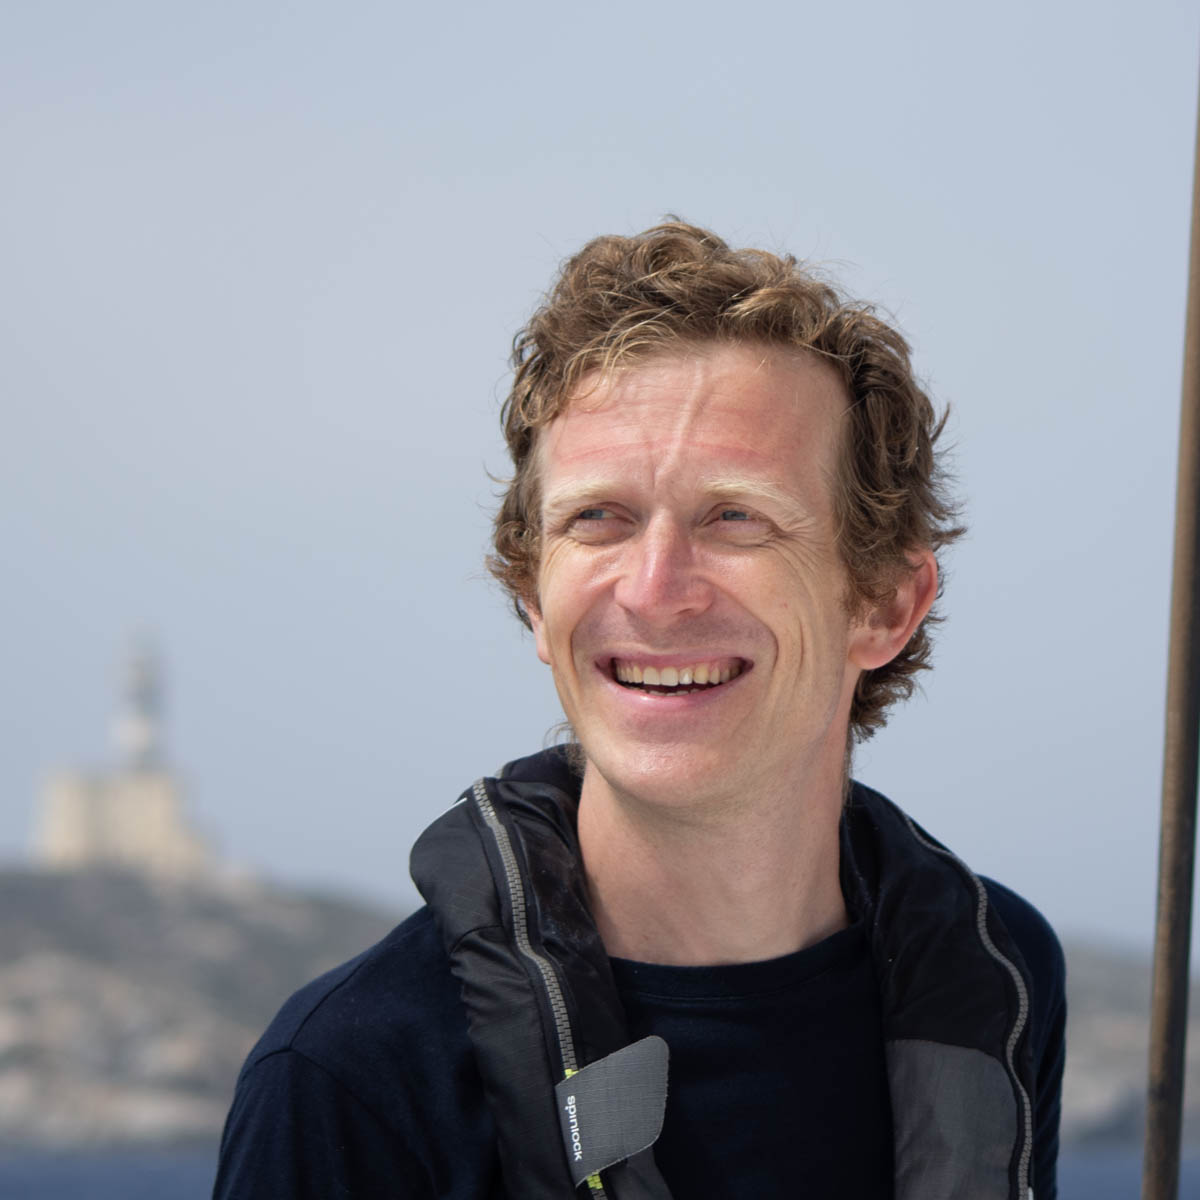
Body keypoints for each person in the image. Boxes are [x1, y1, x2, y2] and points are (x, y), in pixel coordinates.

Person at [213, 222, 1066, 1200]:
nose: (656, 591)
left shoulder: (997, 984)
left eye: (735, 516)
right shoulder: (353, 1079)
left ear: (884, 605)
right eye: (598, 518)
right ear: (534, 600)